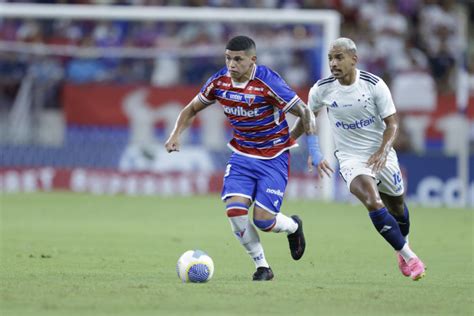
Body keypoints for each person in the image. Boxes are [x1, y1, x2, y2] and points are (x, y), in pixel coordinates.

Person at [165, 35, 321, 281]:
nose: (231, 64)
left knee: (264, 221)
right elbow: (191, 108)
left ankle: (293, 226)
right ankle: (262, 267)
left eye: (238, 59)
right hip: (242, 155)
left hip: (273, 157)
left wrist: (314, 150)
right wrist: (175, 134)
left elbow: (305, 112)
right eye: (228, 58)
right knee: (235, 211)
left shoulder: (268, 82)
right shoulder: (219, 82)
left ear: (252, 60)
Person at [306, 37, 426, 281]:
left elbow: (392, 123)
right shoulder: (322, 88)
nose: (333, 63)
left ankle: (401, 247)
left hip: (380, 153)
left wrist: (383, 151)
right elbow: (308, 118)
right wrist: (311, 150)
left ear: (354, 59)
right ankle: (411, 257)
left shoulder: (374, 85)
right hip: (350, 159)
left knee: (398, 209)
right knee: (373, 201)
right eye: (330, 58)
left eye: (339, 57)